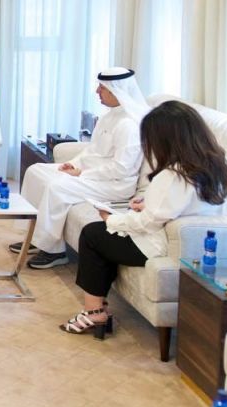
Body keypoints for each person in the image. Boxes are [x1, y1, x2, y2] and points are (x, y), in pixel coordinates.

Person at [59, 100, 227, 337]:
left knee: (93, 234)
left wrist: (111, 219)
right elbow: (182, 206)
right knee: (106, 235)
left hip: (161, 245)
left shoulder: (174, 174)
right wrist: (147, 203)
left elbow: (148, 223)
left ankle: (94, 312)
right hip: (193, 245)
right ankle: (99, 307)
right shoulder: (218, 165)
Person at [16, 67, 150, 269]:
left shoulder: (129, 125)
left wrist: (82, 173)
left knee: (57, 187)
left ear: (117, 91)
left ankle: (53, 251)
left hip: (114, 184)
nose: (97, 92)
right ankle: (35, 237)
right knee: (36, 171)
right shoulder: (109, 116)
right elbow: (91, 150)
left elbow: (122, 169)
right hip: (92, 173)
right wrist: (74, 164)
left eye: (102, 88)